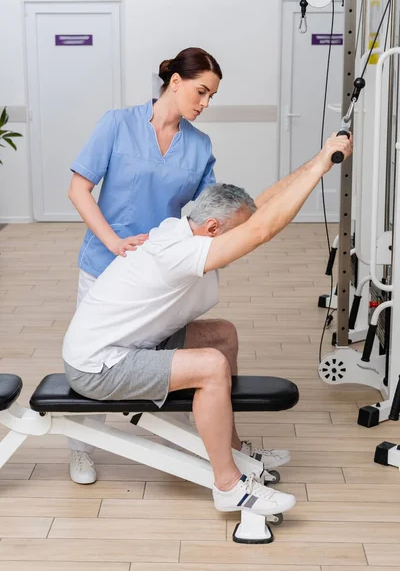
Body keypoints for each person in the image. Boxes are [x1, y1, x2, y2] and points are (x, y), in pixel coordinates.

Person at [62, 132, 353, 513]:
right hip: (98, 366)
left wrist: (320, 158)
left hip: (128, 345)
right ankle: (229, 485)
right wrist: (320, 168)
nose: (242, 243)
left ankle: (233, 450)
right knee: (211, 366)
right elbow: (262, 230)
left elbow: (257, 211)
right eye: (235, 233)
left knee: (222, 336)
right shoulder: (179, 250)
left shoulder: (186, 226)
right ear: (214, 228)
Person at [66, 47, 222, 482]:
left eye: (211, 96)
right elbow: (79, 189)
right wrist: (115, 243)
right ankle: (81, 448)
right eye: (201, 91)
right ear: (175, 82)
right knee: (97, 358)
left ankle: (191, 440)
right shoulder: (117, 124)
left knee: (157, 353)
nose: (205, 103)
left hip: (158, 274)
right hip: (103, 263)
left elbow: (209, 211)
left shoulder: (199, 145)